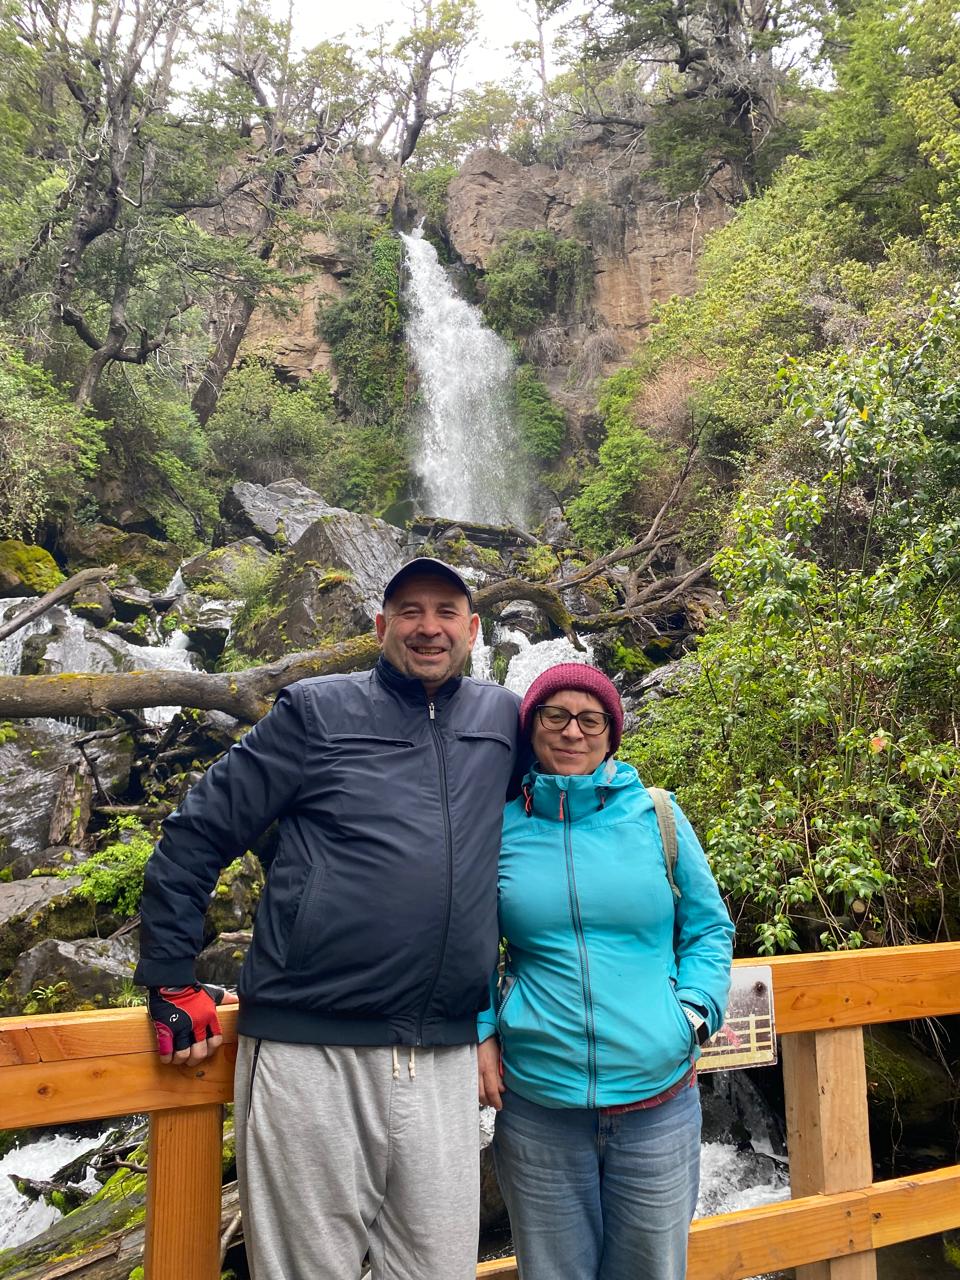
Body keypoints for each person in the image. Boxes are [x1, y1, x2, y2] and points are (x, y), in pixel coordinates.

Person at [135, 557, 521, 1280]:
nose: (428, 628)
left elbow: (553, 825)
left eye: (445, 611)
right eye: (409, 611)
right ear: (380, 627)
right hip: (313, 1049)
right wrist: (168, 976)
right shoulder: (316, 711)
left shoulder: (501, 719)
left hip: (443, 1056)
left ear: (474, 630)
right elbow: (199, 832)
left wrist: (494, 1018)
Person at [477, 662, 734, 1280]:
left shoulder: (659, 817)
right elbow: (471, 946)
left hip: (658, 1102)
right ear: (532, 727)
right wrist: (486, 1026)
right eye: (555, 715)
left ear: (611, 733)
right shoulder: (500, 828)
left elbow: (708, 928)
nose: (572, 732)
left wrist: (693, 1013)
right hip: (539, 1107)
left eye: (590, 719)